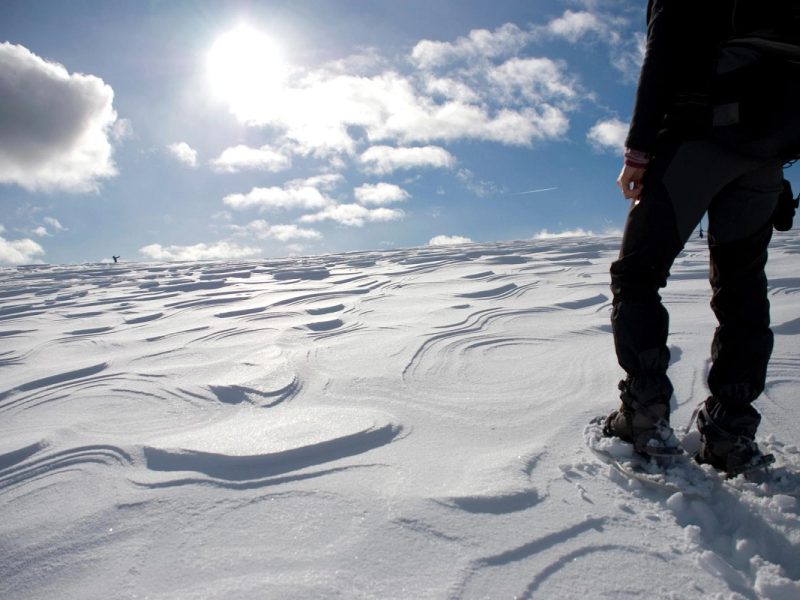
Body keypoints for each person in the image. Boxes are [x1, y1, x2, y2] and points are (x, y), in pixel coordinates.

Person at [602, 0, 798, 475]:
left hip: (697, 136)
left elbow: (664, 53)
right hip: (765, 153)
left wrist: (638, 151)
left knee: (638, 274)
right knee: (743, 288)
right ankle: (730, 433)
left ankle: (645, 415)